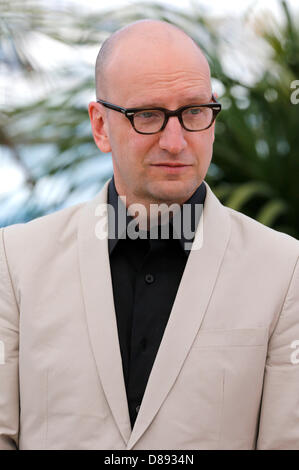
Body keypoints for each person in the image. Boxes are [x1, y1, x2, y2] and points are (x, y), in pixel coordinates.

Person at [0, 19, 299, 451]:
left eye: (194, 111)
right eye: (149, 115)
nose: (175, 142)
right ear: (101, 126)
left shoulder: (284, 269)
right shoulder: (16, 261)